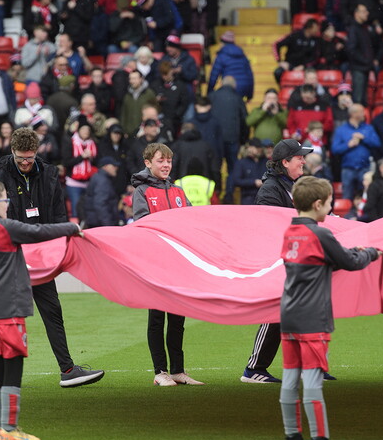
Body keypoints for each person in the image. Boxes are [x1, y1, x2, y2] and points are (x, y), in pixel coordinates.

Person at [0, 178, 82, 440]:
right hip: (8, 306)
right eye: (6, 200)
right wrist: (72, 227)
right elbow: (39, 231)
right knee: (12, 364)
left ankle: (1, 428)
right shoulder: (4, 227)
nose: (9, 205)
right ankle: (10, 429)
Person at [0, 127, 106, 387]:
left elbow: (58, 215)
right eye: (21, 158)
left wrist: (58, 249)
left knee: (52, 311)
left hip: (40, 256)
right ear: (12, 152)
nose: (26, 163)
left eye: (30, 158)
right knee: (6, 317)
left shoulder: (49, 174)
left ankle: (67, 370)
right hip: (9, 256)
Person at [278, 175, 380, 440]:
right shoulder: (321, 234)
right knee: (312, 379)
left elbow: (316, 262)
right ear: (318, 203)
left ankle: (293, 439)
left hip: (288, 314)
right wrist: (371, 253)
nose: (331, 209)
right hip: (313, 317)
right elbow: (349, 262)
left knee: (289, 377)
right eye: (330, 204)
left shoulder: (290, 232)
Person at [243, 139, 339, 384]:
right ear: (285, 162)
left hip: (303, 258)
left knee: (310, 311)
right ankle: (254, 369)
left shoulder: (298, 186)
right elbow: (268, 228)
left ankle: (313, 366)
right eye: (299, 158)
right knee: (277, 311)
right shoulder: (270, 190)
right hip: (281, 260)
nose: (303, 161)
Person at [131, 143, 204, 387]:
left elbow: (192, 221)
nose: (166, 165)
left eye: (169, 161)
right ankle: (160, 371)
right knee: (156, 318)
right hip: (155, 263)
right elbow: (142, 223)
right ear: (148, 163)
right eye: (161, 160)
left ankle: (178, 370)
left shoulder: (178, 191)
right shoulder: (141, 191)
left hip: (178, 264)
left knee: (177, 319)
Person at [331, 103, 381, 200]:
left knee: (367, 197)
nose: (364, 114)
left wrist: (364, 138)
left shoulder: (368, 128)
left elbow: (377, 144)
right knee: (347, 197)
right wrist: (348, 145)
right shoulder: (341, 130)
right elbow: (335, 149)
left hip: (365, 168)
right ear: (353, 114)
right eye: (361, 112)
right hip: (348, 169)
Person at [208, 30, 254, 102]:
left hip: (229, 87)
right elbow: (250, 75)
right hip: (243, 88)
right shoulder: (242, 55)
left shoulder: (221, 55)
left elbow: (214, 75)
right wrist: (250, 95)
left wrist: (209, 92)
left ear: (222, 43)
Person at [272, 17, 320, 84]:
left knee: (315, 73)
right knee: (277, 72)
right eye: (316, 28)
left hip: (306, 66)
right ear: (310, 28)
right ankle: (282, 89)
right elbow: (276, 45)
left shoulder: (315, 40)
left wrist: (304, 66)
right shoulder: (294, 35)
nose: (318, 30)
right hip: (290, 64)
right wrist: (280, 61)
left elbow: (315, 58)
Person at [82, 156, 123, 228]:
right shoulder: (102, 181)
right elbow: (100, 204)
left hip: (97, 222)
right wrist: (108, 225)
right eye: (113, 165)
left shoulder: (100, 178)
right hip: (100, 224)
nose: (116, 168)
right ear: (105, 166)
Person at [229, 138, 267, 205]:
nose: (259, 150)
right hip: (248, 198)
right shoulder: (241, 163)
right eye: (257, 147)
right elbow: (236, 180)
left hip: (264, 197)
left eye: (260, 147)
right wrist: (254, 182)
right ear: (250, 148)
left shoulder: (265, 162)